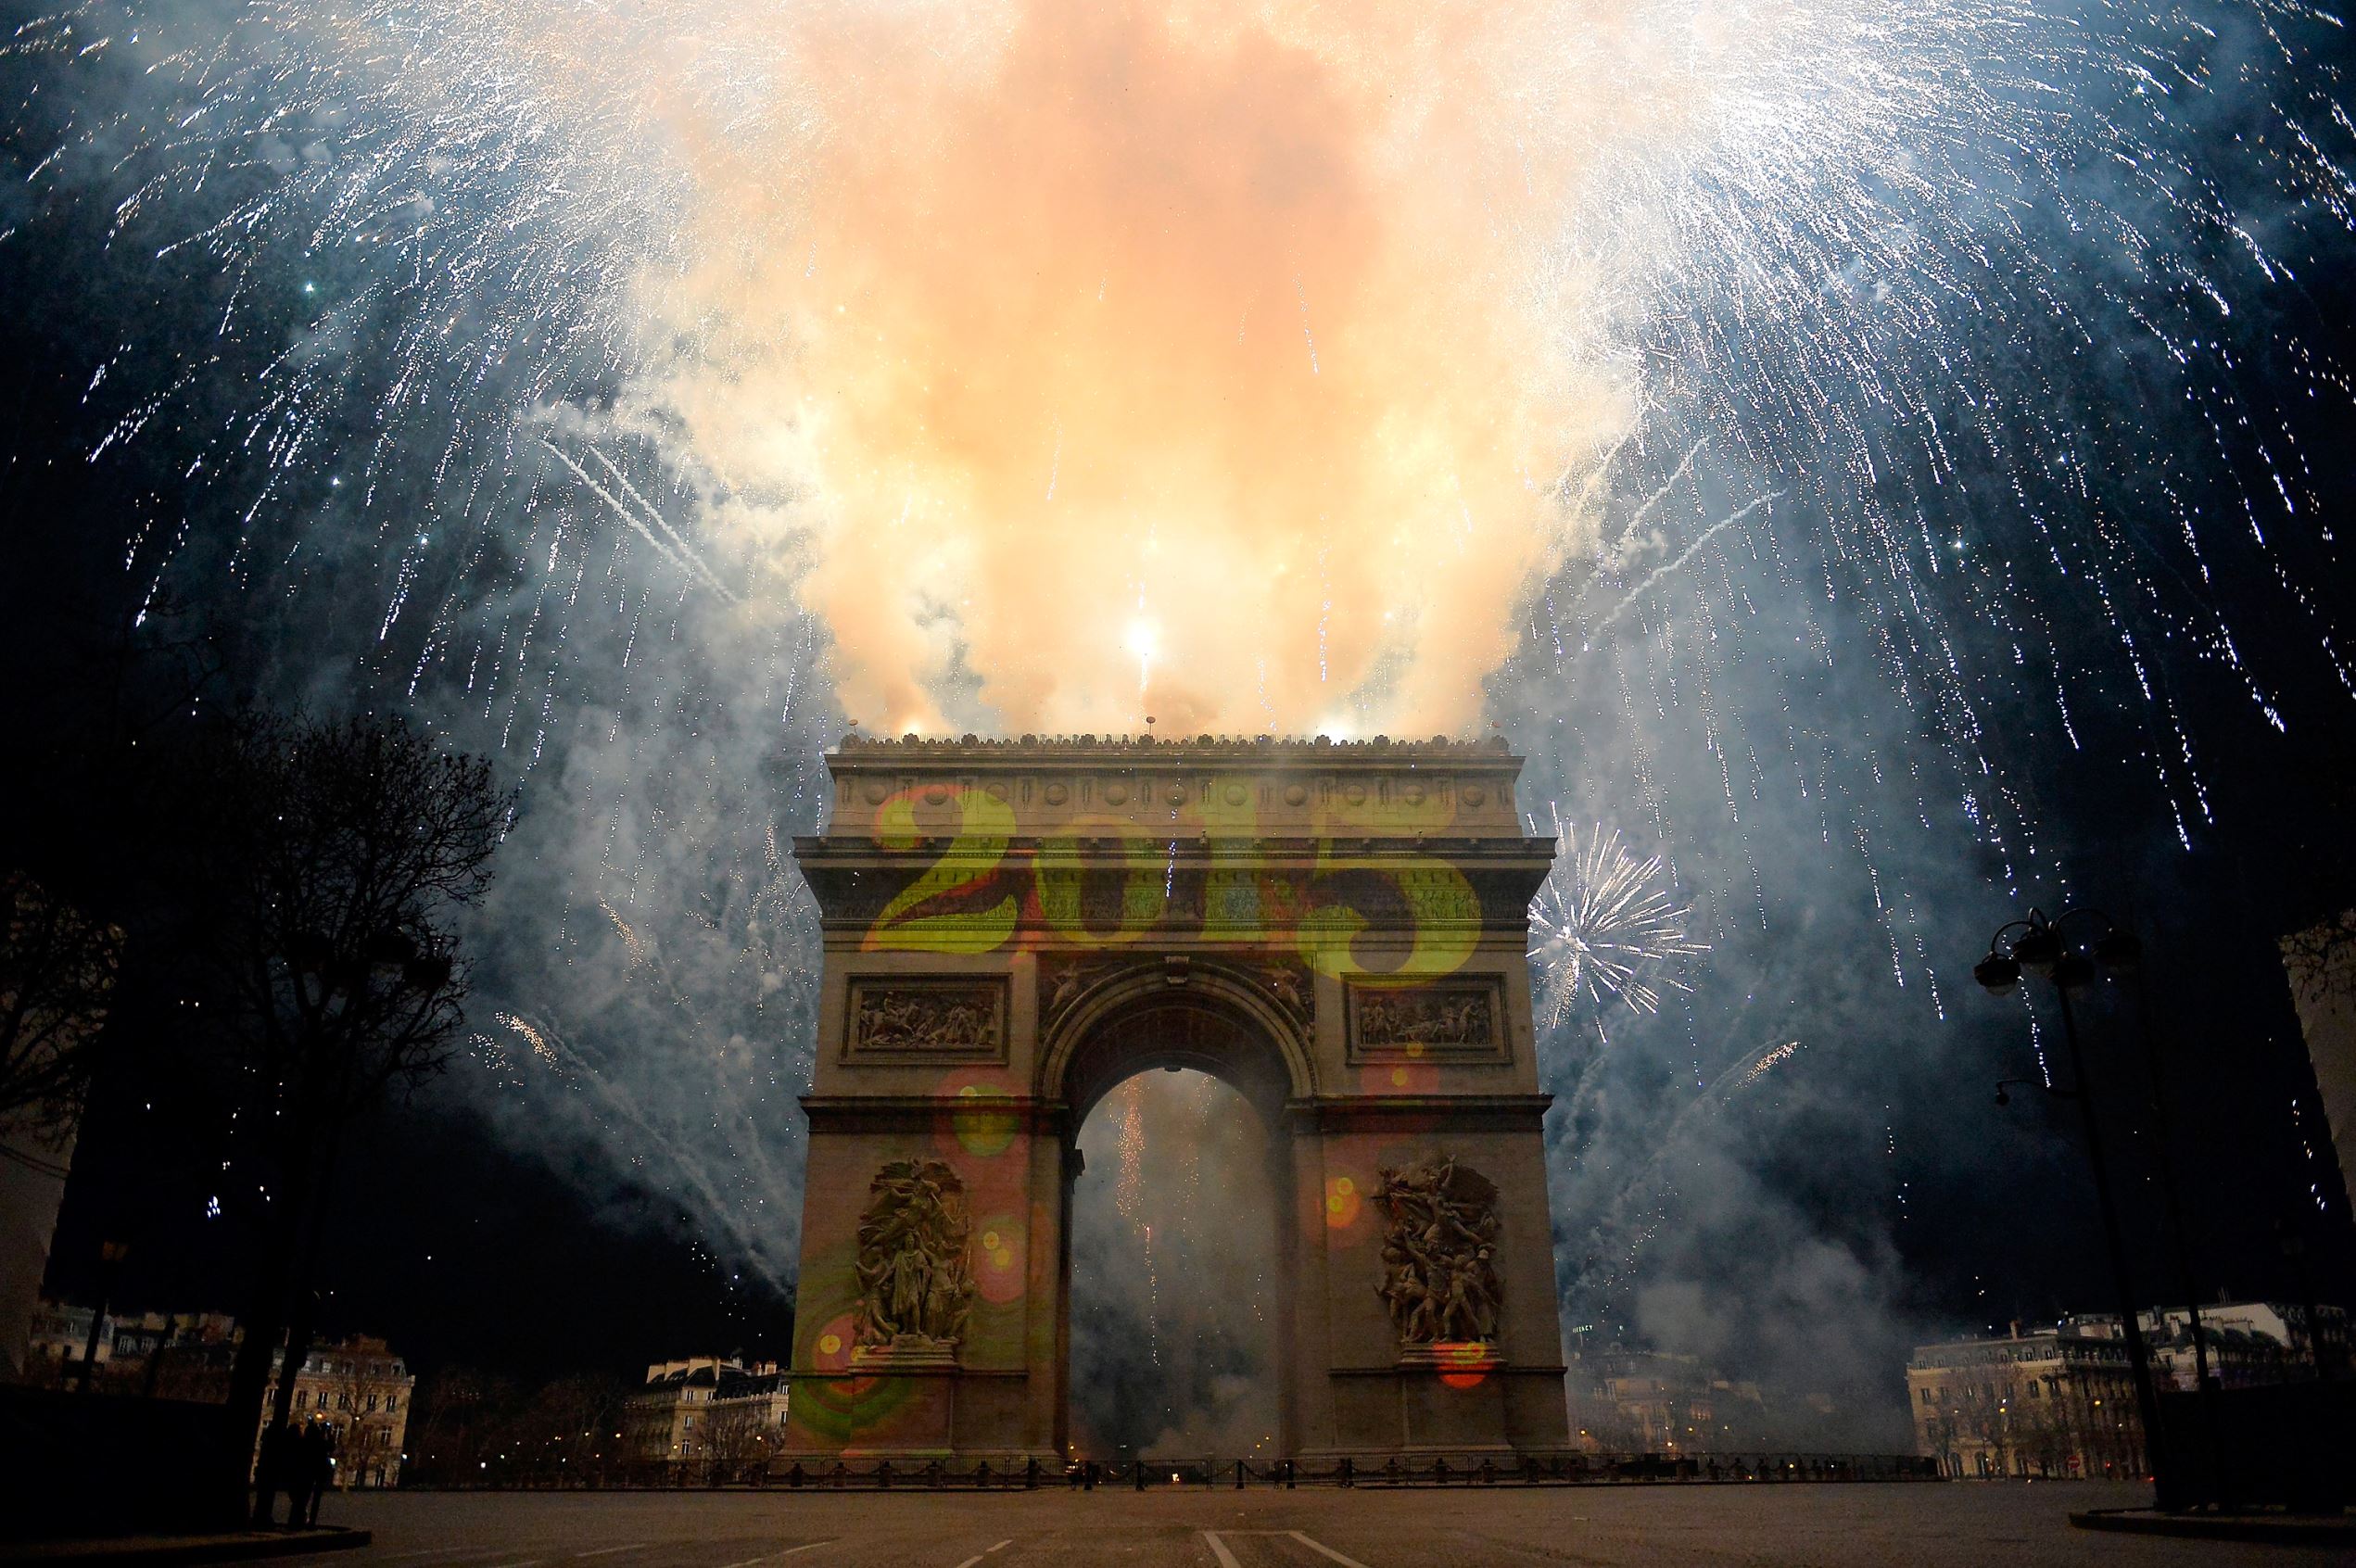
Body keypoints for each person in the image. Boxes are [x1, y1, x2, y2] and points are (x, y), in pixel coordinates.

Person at [253, 1420, 294, 1527]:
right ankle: (263, 1517)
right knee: (266, 1494)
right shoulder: (280, 1442)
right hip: (271, 1470)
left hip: (265, 1468)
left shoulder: (267, 1439)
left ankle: (260, 1516)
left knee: (262, 1495)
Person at [282, 1423, 316, 1530]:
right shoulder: (305, 1444)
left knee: (297, 1501)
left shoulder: (290, 1444)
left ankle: (296, 1522)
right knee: (300, 1501)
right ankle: (297, 1523)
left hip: (293, 1475)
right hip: (304, 1476)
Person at [302, 1423, 335, 1524]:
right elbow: (331, 1446)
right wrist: (329, 1433)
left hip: (307, 1471)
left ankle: (300, 1517)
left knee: (303, 1497)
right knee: (315, 1499)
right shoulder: (321, 1444)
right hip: (319, 1472)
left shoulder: (305, 1442)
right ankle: (311, 1520)